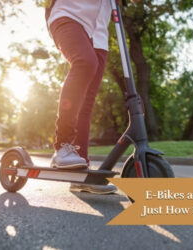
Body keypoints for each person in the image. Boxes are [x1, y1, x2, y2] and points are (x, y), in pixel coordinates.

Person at [45, 0, 138, 193]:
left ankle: (80, 173)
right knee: (85, 62)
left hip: (99, 35)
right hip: (69, 15)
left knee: (87, 103)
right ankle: (63, 145)